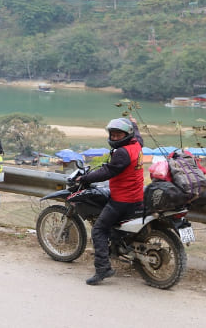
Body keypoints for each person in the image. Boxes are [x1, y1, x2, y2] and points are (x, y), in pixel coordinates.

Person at [77, 116, 144, 285]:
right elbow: (137, 134)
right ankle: (118, 248)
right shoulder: (136, 144)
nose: (114, 138)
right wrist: (134, 124)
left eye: (118, 135)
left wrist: (86, 178)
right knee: (112, 226)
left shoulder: (122, 153)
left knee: (98, 230)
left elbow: (107, 172)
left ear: (126, 135)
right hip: (137, 197)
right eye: (112, 134)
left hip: (122, 199)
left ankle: (103, 268)